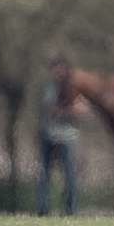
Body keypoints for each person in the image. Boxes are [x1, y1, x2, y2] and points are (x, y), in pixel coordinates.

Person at [37, 56, 81, 216]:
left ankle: (71, 209)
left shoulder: (73, 88)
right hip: (49, 134)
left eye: (60, 69)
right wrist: (67, 111)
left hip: (67, 137)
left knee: (70, 174)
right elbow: (49, 109)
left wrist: (67, 111)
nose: (57, 73)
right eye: (54, 70)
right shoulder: (49, 88)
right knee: (45, 173)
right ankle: (43, 209)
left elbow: (82, 109)